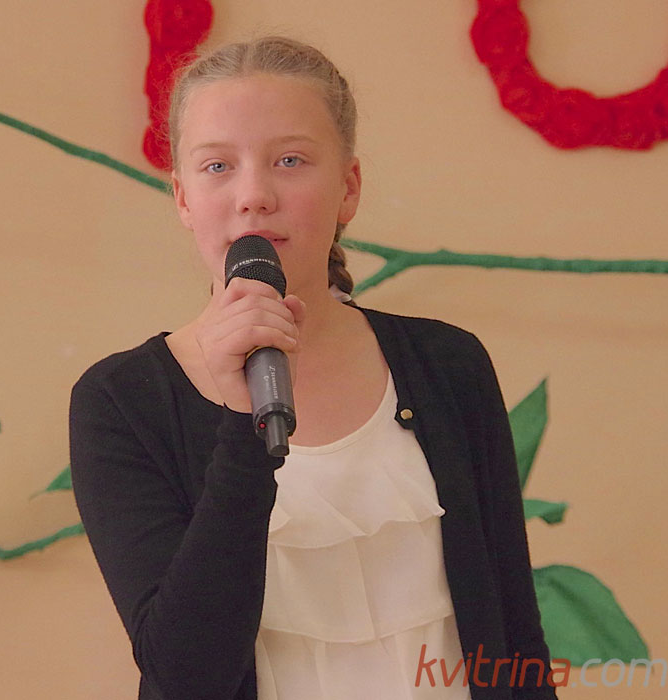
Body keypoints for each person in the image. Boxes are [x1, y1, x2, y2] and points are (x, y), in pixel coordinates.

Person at [69, 35, 557, 700]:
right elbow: (185, 676)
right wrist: (243, 424)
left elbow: (517, 637)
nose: (253, 195)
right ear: (182, 198)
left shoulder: (448, 364)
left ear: (347, 188)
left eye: (289, 160)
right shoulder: (121, 400)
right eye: (217, 166)